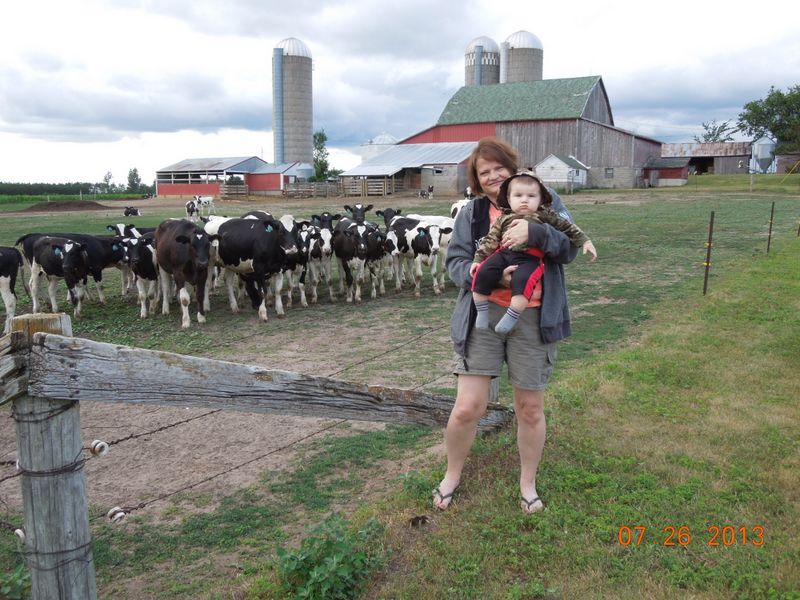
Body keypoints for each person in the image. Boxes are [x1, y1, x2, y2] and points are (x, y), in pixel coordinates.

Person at [433, 137, 581, 514]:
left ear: (513, 168)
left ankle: (527, 482)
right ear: (476, 179)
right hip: (482, 318)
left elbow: (570, 247)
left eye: (499, 168)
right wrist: (488, 277)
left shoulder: (544, 201)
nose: (493, 176)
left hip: (534, 317)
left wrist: (536, 234)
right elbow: (455, 264)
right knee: (468, 407)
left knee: (529, 408)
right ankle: (451, 475)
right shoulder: (472, 213)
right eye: (484, 172)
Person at [470, 170, 597, 335]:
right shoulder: (504, 218)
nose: (524, 200)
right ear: (509, 199)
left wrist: (585, 241)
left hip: (530, 258)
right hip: (503, 254)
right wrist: (478, 259)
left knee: (523, 282)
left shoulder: (545, 215)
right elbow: (490, 240)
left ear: (540, 199)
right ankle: (481, 311)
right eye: (518, 196)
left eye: (531, 196)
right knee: (483, 272)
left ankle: (512, 315)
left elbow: (567, 228)